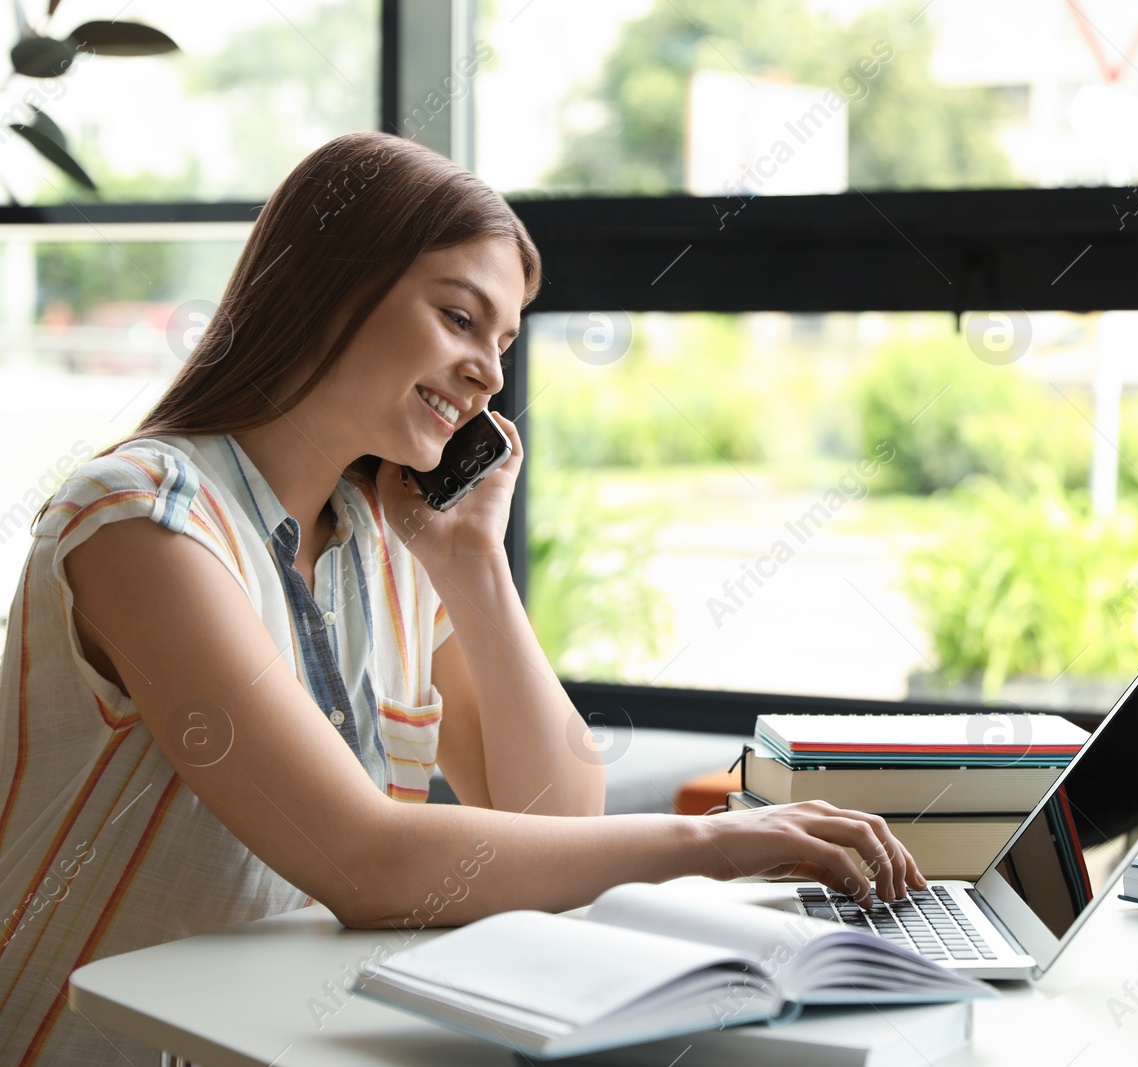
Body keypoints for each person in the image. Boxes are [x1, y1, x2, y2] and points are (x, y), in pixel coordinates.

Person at [0, 131, 923, 1067]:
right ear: (328, 287)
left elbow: (557, 823)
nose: (489, 369)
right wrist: (716, 843)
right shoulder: (144, 520)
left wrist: (476, 564)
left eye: (503, 341)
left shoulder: (389, 548)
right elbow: (365, 861)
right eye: (458, 317)